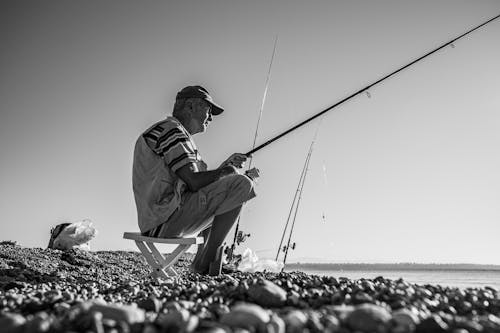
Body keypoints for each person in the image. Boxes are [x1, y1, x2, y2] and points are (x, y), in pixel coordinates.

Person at [132, 85, 259, 274]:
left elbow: (195, 184)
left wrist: (225, 167)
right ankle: (206, 261)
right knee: (243, 184)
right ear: (190, 106)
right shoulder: (172, 131)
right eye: (208, 110)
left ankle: (202, 260)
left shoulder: (172, 132)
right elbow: (194, 182)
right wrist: (227, 171)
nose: (211, 117)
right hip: (165, 220)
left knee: (231, 187)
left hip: (158, 220)